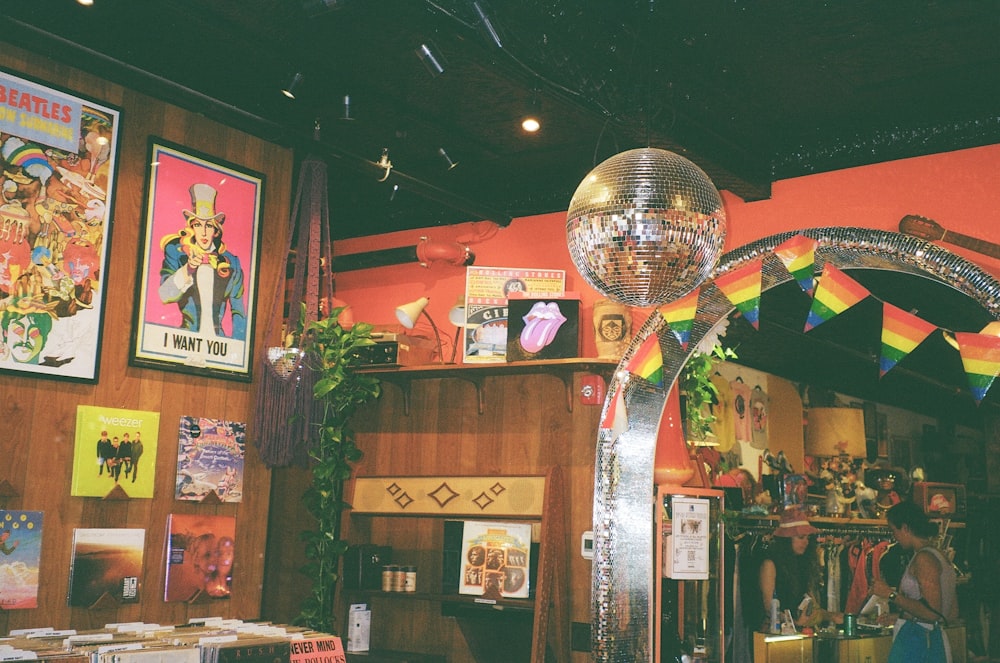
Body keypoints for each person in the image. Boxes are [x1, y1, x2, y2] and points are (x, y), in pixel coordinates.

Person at [871, 501, 958, 663]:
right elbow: (950, 613)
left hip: (918, 641)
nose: (894, 536)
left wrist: (890, 594)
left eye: (893, 530)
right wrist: (902, 615)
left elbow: (932, 612)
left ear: (905, 528)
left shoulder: (924, 559)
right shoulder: (940, 556)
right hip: (932, 638)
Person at [158, 183, 246, 339]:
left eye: (209, 226)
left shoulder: (232, 262)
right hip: (184, 342)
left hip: (218, 347)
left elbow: (239, 311)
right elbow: (165, 295)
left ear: (216, 230)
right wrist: (188, 269)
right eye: (198, 224)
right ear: (191, 227)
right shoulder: (177, 254)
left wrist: (237, 349)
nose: (204, 232)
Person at [754, 507, 842, 631]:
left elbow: (810, 604)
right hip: (773, 633)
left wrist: (831, 616)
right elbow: (769, 608)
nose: (806, 542)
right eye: (801, 537)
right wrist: (795, 622)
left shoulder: (801, 564)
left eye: (808, 538)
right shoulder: (770, 564)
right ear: (786, 539)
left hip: (794, 631)